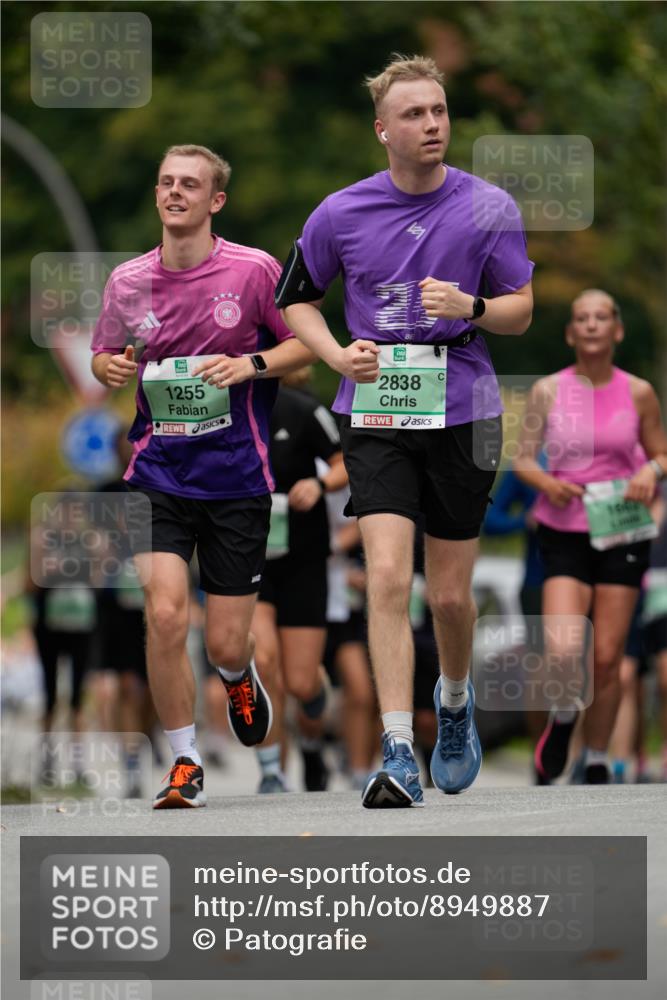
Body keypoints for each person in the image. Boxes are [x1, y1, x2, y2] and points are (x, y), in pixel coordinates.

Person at [277, 55, 533, 807]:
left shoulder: (487, 205)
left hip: (463, 403)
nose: (432, 125)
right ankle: (396, 750)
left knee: (448, 599)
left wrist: (471, 306)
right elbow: (296, 299)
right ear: (382, 129)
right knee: (388, 577)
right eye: (415, 114)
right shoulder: (339, 212)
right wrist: (332, 355)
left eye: (440, 111)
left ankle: (452, 704)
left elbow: (520, 308)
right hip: (378, 407)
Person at [91, 144, 314, 809]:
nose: (174, 193)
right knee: (161, 615)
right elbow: (106, 352)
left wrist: (250, 366)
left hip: (237, 481)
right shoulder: (128, 282)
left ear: (216, 200)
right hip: (158, 473)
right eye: (165, 182)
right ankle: (185, 760)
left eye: (190, 184)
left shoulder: (253, 271)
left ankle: (237, 673)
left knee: (222, 640)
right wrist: (108, 369)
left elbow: (306, 343)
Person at [515, 289, 667, 784]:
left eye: (602, 317)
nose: (593, 325)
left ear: (617, 330)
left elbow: (662, 453)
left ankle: (598, 757)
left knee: (607, 659)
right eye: (583, 318)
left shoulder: (640, 391)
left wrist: (651, 472)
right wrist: (547, 482)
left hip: (622, 529)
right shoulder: (548, 391)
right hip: (564, 531)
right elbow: (521, 458)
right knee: (563, 652)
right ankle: (562, 718)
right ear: (571, 333)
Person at [251, 368, 348, 793]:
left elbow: (348, 462)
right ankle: (272, 771)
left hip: (305, 559)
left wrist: (320, 483)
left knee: (300, 681)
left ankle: (313, 704)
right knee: (264, 662)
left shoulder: (305, 410)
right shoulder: (232, 411)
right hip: (250, 558)